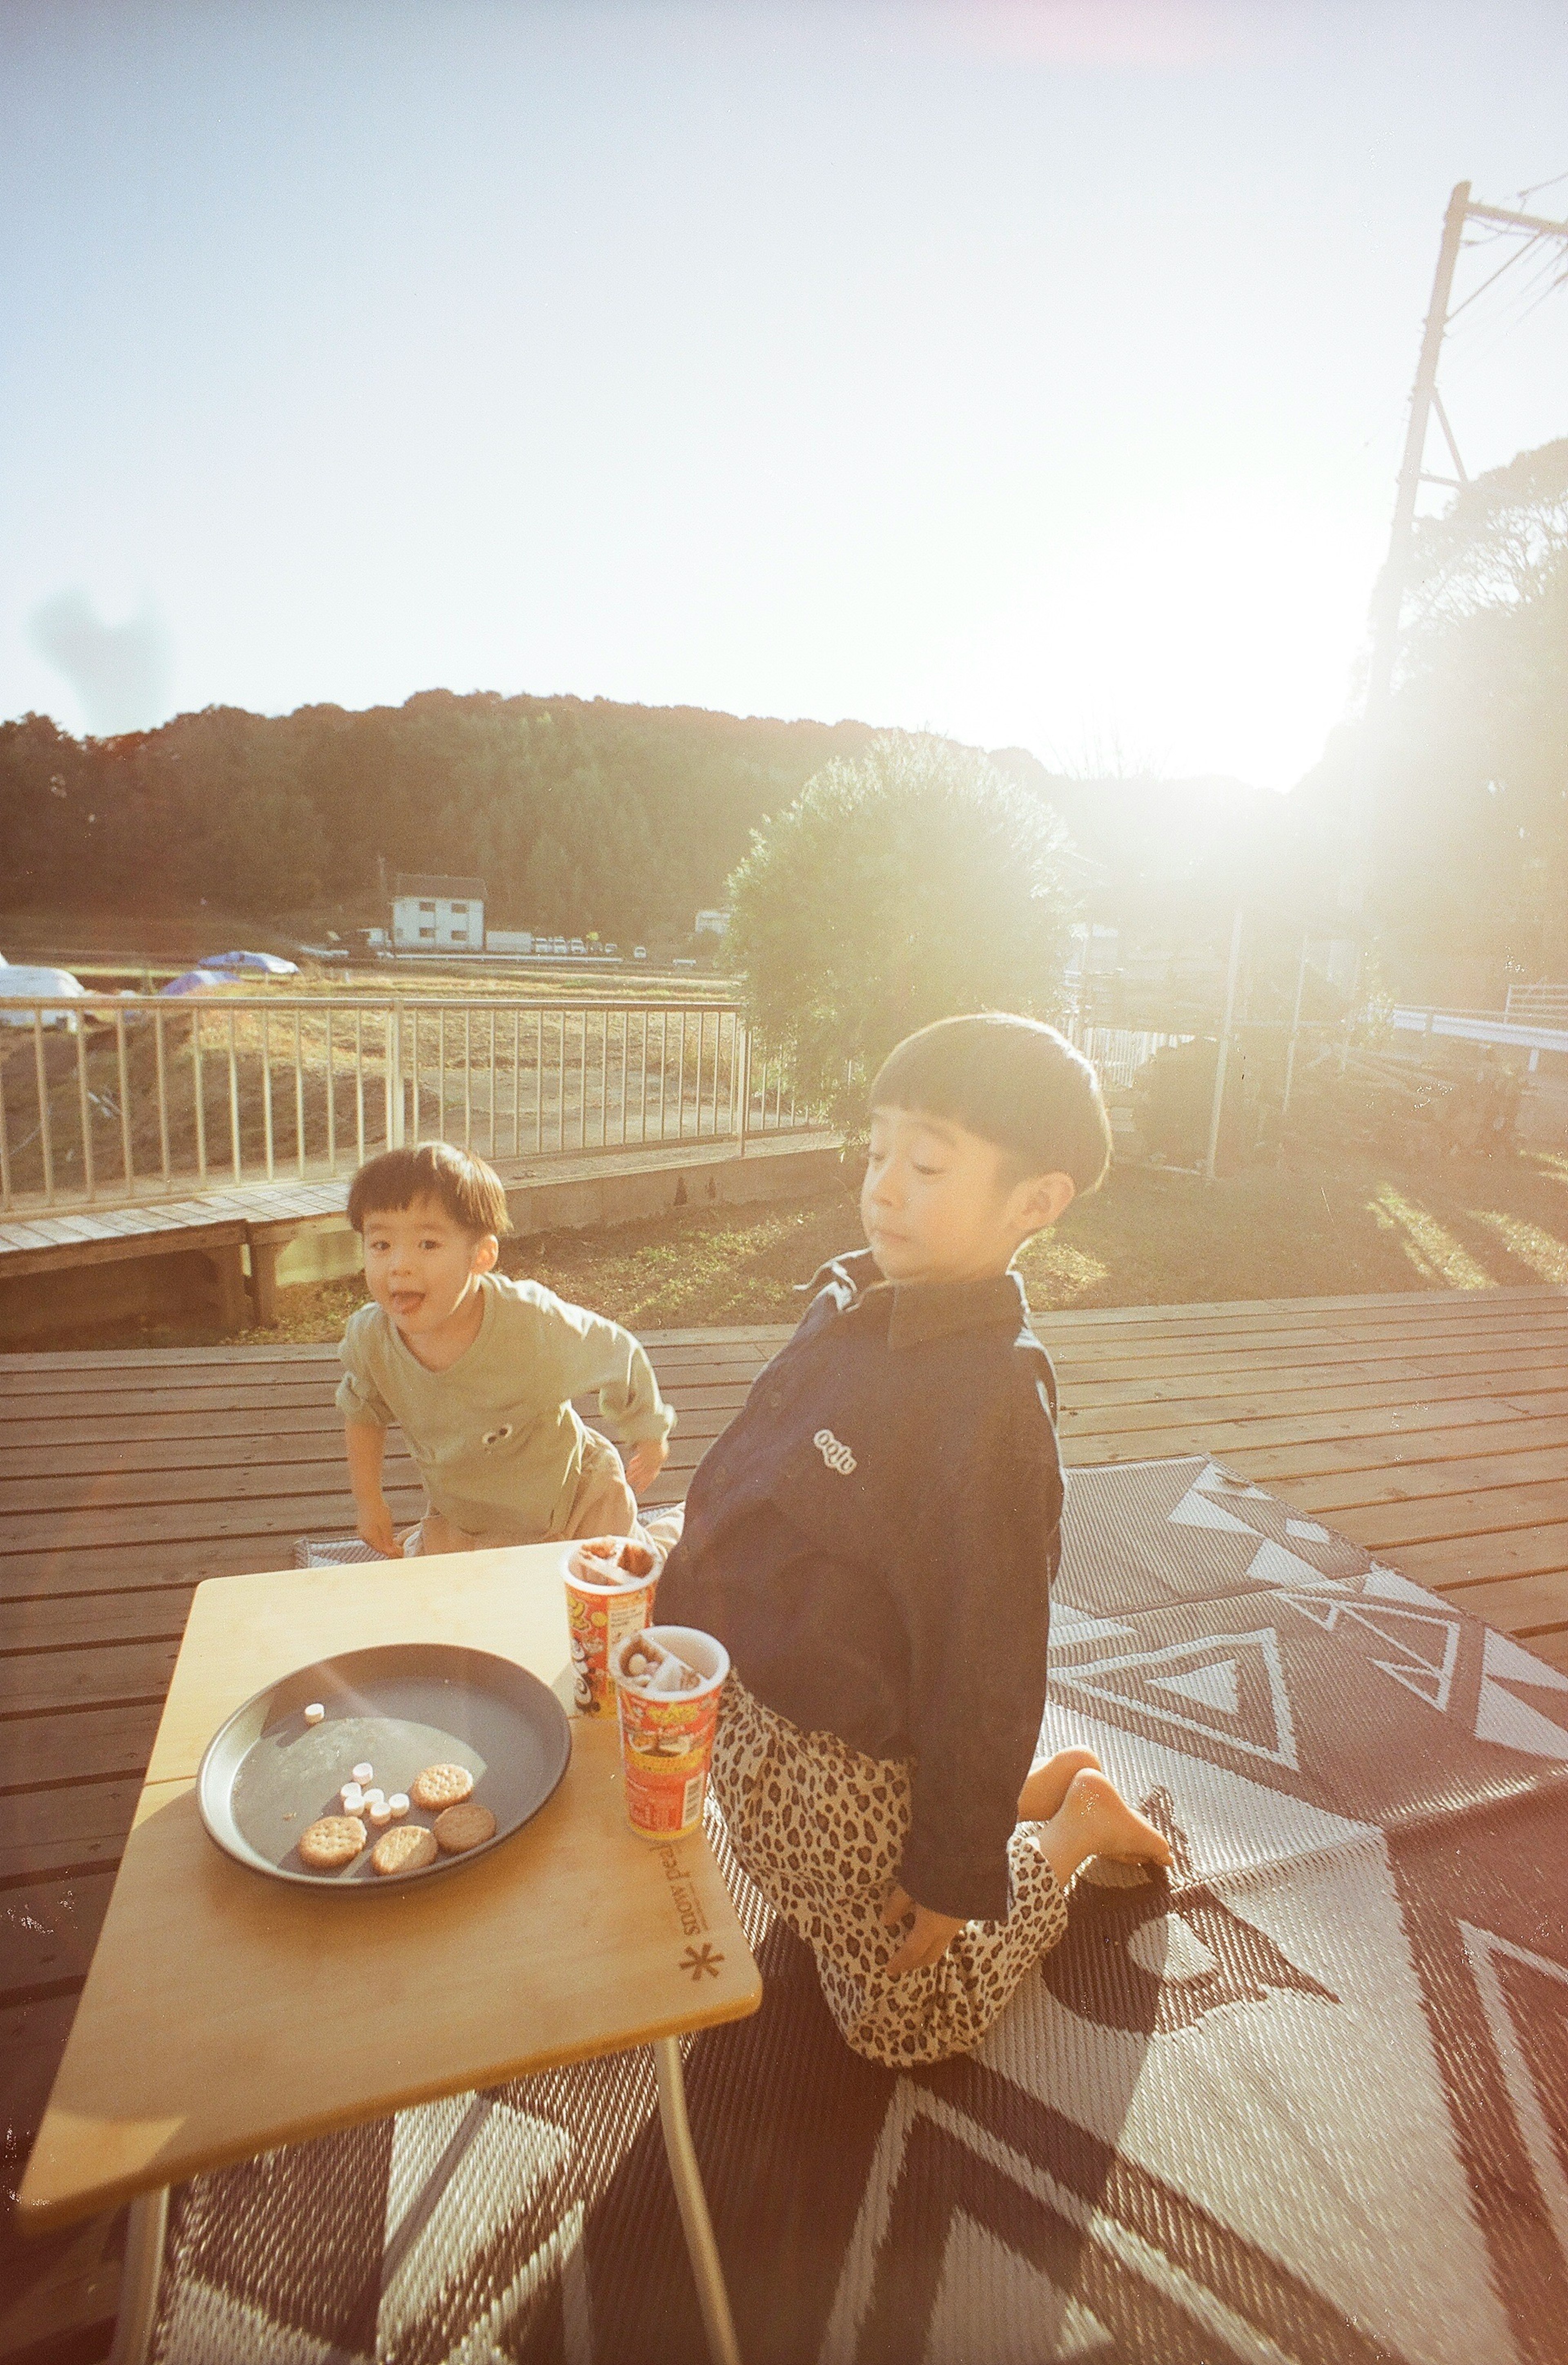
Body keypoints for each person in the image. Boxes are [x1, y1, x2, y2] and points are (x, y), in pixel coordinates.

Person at [655, 1013, 1171, 2067]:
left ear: (1035, 1200)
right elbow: (747, 1465)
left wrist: (947, 1864)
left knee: (897, 2022)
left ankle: (1065, 1823)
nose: (882, 1184)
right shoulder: (852, 1294)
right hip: (756, 1711)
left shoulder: (989, 1412)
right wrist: (672, 1601)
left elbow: (988, 1656)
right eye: (877, 1148)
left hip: (853, 1759)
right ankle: (1024, 1791)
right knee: (751, 1873)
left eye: (926, 1161)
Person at [337, 1142, 673, 1556]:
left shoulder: (531, 1324)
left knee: (631, 1578)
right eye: (381, 1244)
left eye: (428, 1244)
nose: (399, 1265)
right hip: (469, 1519)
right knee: (447, 1605)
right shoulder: (373, 1339)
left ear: (480, 1255)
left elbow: (617, 1351)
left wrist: (648, 1431)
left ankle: (677, 1531)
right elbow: (362, 1411)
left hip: (575, 1503)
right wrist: (369, 1500)